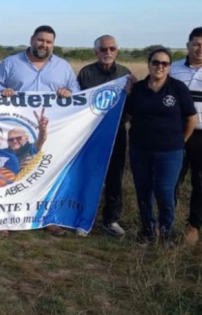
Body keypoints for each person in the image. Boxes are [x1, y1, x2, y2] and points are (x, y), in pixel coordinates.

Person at [0, 25, 79, 236]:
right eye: (40, 40)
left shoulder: (63, 67)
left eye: (48, 42)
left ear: (53, 44)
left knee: (45, 172)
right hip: (17, 130)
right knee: (14, 172)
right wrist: (2, 90)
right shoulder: (11, 63)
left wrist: (68, 92)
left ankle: (48, 218)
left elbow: (77, 90)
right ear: (31, 39)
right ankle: (4, 220)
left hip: (49, 131)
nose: (43, 45)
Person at [126, 48, 197, 248]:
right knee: (143, 190)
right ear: (149, 64)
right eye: (156, 62)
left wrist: (181, 140)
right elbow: (131, 115)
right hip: (140, 149)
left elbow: (191, 118)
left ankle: (166, 231)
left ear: (169, 67)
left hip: (170, 151)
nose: (159, 66)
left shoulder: (178, 88)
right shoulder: (138, 89)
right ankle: (147, 229)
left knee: (165, 191)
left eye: (164, 64)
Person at [76, 35, 137, 237]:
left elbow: (132, 105)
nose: (107, 53)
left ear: (117, 51)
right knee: (89, 175)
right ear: (96, 52)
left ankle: (111, 219)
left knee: (115, 177)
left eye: (112, 49)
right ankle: (83, 218)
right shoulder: (85, 73)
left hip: (116, 132)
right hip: (90, 133)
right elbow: (78, 102)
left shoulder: (125, 74)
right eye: (103, 49)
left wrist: (132, 94)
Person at [170, 27, 202, 245]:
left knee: (200, 182)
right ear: (188, 45)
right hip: (175, 133)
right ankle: (167, 222)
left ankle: (193, 225)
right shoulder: (172, 69)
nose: (199, 49)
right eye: (196, 44)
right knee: (171, 179)